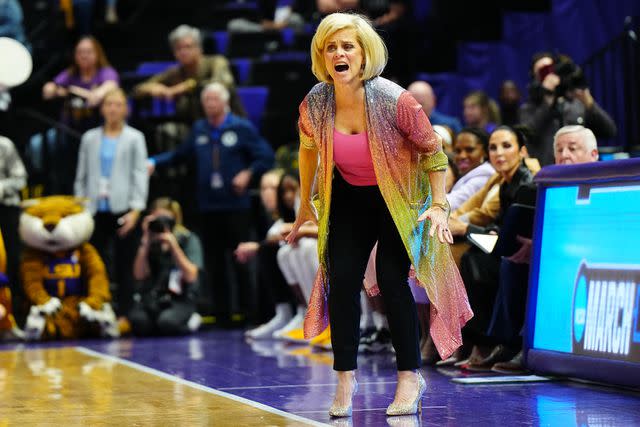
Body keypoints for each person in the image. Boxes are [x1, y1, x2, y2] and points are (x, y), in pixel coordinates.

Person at [287, 13, 472, 417]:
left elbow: (434, 152)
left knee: (391, 278)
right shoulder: (316, 102)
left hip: (400, 200)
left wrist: (439, 205)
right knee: (343, 279)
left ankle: (409, 377)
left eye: (347, 46)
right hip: (350, 197)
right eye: (331, 46)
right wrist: (305, 203)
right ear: (322, 54)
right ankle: (345, 378)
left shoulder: (394, 99)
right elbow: (307, 148)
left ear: (363, 52)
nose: (339, 53)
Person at [148, 82, 274, 324]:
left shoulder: (240, 127)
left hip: (236, 206)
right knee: (215, 263)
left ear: (225, 102)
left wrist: (248, 173)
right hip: (208, 206)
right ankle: (222, 314)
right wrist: (155, 161)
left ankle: (250, 313)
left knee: (241, 259)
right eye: (206, 100)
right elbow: (179, 155)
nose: (210, 104)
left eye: (215, 99)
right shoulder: (199, 129)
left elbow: (265, 155)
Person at [489, 124, 600, 373]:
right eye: (559, 150)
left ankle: (523, 345)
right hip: (554, 254)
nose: (565, 155)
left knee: (541, 264)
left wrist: (542, 248)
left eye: (573, 148)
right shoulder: (549, 187)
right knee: (510, 262)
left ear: (594, 155)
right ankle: (513, 343)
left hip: (587, 261)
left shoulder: (606, 184)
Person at [74, 88, 149, 317]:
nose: (113, 109)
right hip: (95, 208)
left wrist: (136, 209)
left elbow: (139, 173)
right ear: (102, 108)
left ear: (125, 109)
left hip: (123, 207)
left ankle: (125, 313)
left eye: (118, 104)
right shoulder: (90, 138)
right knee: (95, 263)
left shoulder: (135, 137)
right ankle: (96, 308)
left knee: (124, 263)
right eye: (109, 104)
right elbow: (82, 176)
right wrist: (82, 208)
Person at [42, 36, 120, 194]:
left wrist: (72, 91)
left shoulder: (106, 73)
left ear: (97, 54)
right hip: (67, 130)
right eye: (80, 52)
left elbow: (97, 96)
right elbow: (47, 91)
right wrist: (56, 88)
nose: (84, 55)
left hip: (96, 130)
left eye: (88, 52)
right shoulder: (71, 73)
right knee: (38, 145)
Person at [519, 52, 616, 166]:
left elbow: (609, 131)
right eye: (543, 71)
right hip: (545, 174)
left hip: (578, 172)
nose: (549, 75)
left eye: (551, 69)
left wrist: (588, 101)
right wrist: (547, 102)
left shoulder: (574, 105)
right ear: (534, 78)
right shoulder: (528, 108)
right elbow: (526, 135)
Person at [134, 25, 244, 121]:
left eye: (188, 47)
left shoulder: (216, 62)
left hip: (227, 122)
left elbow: (220, 83)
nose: (183, 52)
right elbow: (138, 89)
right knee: (167, 130)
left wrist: (185, 86)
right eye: (178, 48)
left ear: (199, 48)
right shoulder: (175, 72)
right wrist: (154, 88)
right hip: (192, 125)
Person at [130, 197, 203, 335]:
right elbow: (139, 275)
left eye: (166, 220)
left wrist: (173, 246)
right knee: (138, 322)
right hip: (154, 298)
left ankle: (191, 320)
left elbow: (191, 276)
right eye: (158, 220)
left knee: (167, 323)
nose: (162, 225)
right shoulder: (148, 241)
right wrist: (145, 241)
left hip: (180, 299)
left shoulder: (188, 239)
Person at [0, 134, 27, 297]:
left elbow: (21, 178)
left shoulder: (4, 145)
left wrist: (1, 188)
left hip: (5, 208)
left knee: (11, 257)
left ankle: (15, 307)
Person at [447, 128, 495, 211]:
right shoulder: (468, 175)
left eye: (469, 150)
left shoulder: (485, 176)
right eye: (458, 151)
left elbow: (451, 203)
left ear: (485, 152)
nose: (462, 156)